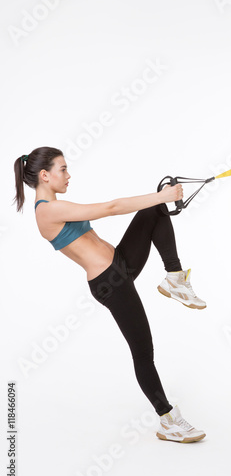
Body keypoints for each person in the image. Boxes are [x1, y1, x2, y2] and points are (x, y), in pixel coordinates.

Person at [13, 147, 206, 443]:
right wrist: (162, 196)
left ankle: (175, 279)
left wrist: (158, 200)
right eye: (62, 169)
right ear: (44, 175)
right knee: (143, 353)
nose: (68, 175)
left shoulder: (56, 204)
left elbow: (121, 209)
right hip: (110, 282)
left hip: (120, 261)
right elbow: (111, 208)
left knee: (152, 211)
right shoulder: (47, 210)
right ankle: (168, 420)